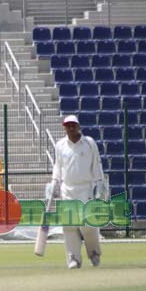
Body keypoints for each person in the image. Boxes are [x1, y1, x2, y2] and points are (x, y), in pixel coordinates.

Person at [50, 114, 107, 269]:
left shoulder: (89, 143)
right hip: (67, 189)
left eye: (73, 125)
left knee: (87, 224)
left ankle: (94, 253)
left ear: (79, 126)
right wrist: (54, 182)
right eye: (67, 126)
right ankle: (73, 258)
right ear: (64, 128)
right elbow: (58, 166)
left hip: (85, 189)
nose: (70, 128)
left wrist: (100, 183)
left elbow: (96, 164)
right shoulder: (60, 145)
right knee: (69, 226)